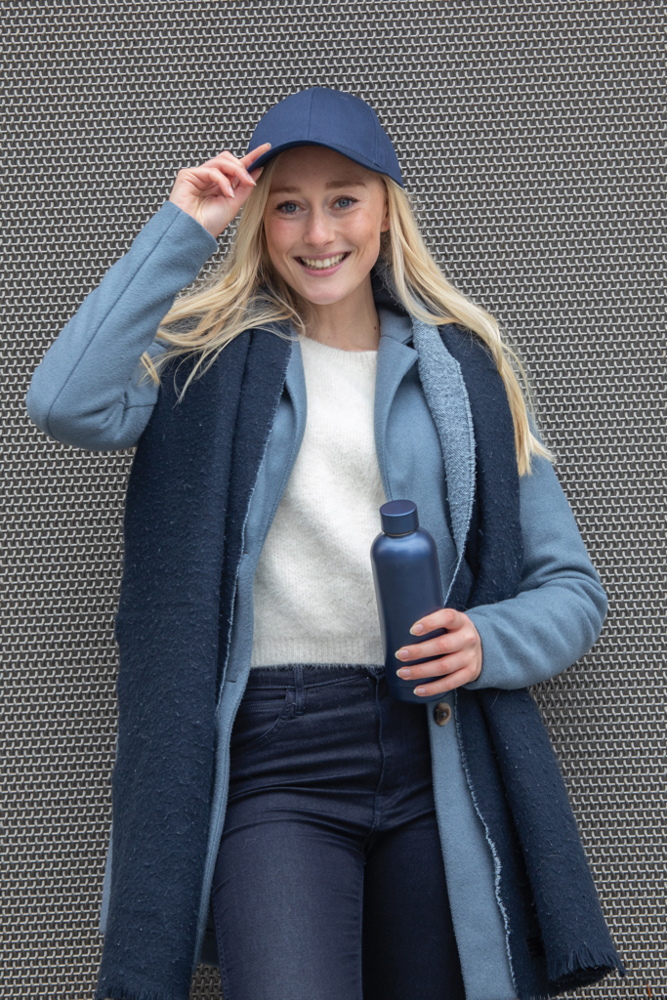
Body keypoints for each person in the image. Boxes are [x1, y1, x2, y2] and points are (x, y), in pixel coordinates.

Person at [26, 88, 623, 1000]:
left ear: (385, 210)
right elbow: (64, 403)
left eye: (343, 199)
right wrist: (185, 228)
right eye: (288, 206)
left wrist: (486, 641)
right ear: (259, 224)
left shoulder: (466, 372)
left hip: (435, 747)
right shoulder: (201, 362)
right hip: (275, 756)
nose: (318, 233)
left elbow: (570, 587)